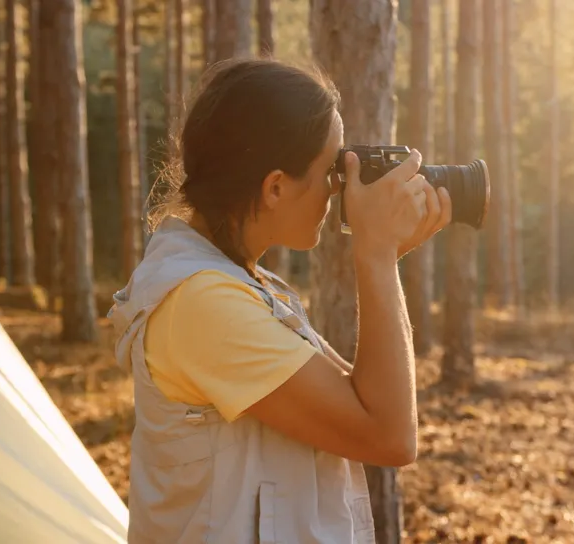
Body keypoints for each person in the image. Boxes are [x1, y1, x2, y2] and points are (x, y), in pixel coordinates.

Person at [108, 58, 451, 544]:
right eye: (331, 169)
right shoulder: (203, 302)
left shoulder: (239, 283)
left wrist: (385, 250)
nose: (339, 190)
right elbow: (389, 435)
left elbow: (364, 400)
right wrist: (376, 257)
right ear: (274, 187)